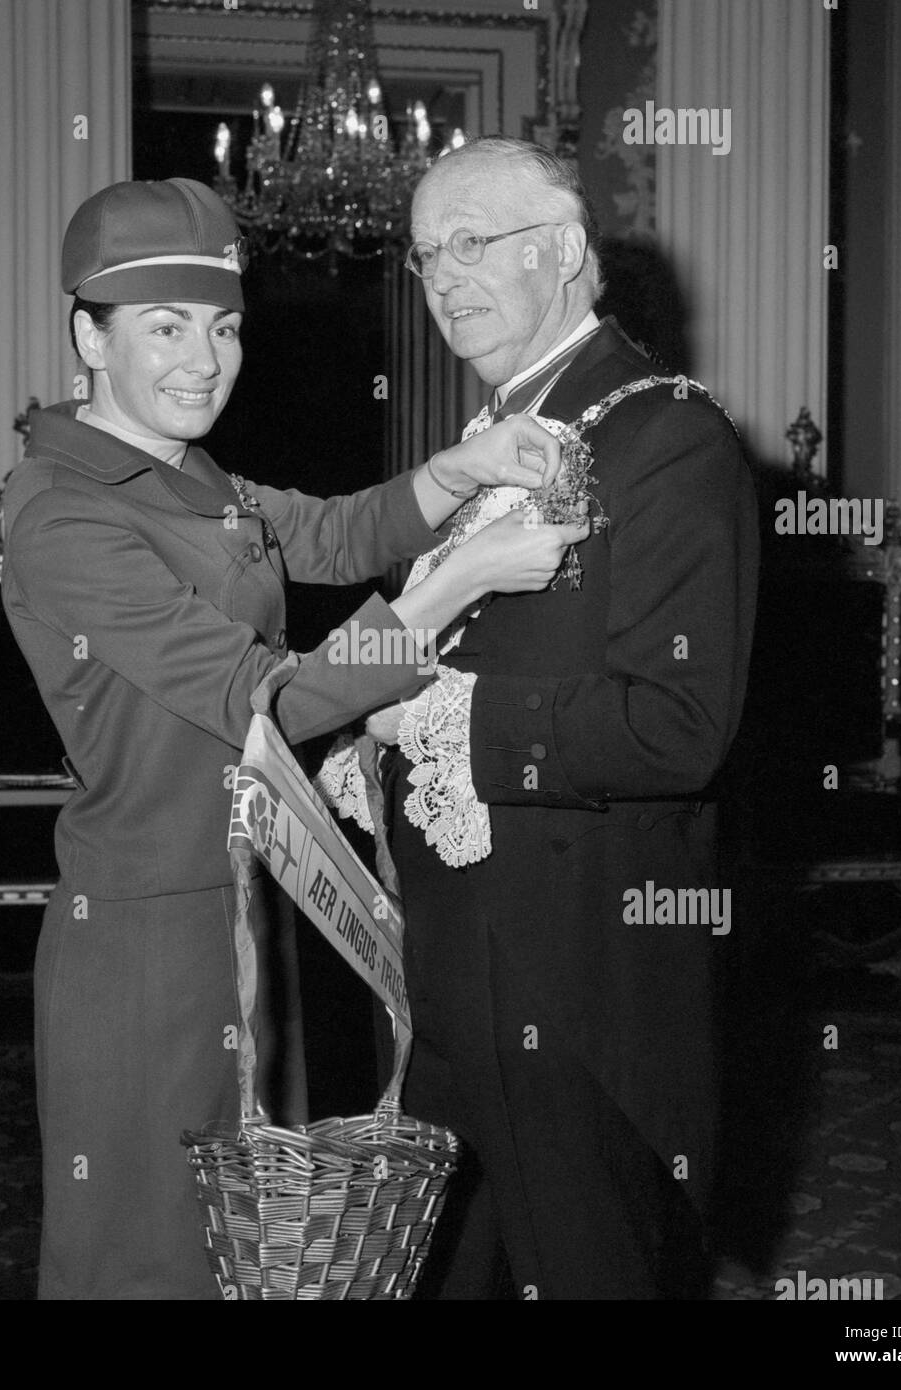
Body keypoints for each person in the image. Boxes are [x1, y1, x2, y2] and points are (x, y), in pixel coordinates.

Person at [0, 176, 588, 1300]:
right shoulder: (63, 509)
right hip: (140, 941)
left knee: (252, 1256)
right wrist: (452, 582)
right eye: (165, 327)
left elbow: (329, 528)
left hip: (247, 908)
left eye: (221, 328)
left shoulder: (184, 474)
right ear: (88, 334)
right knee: (145, 1255)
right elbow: (266, 697)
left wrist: (460, 470)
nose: (204, 360)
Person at [321, 138, 760, 1299]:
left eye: (472, 242)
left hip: (579, 989)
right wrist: (371, 743)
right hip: (451, 977)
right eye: (424, 257)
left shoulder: (667, 434)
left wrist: (437, 721)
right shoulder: (486, 449)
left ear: (564, 252)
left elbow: (679, 725)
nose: (442, 277)